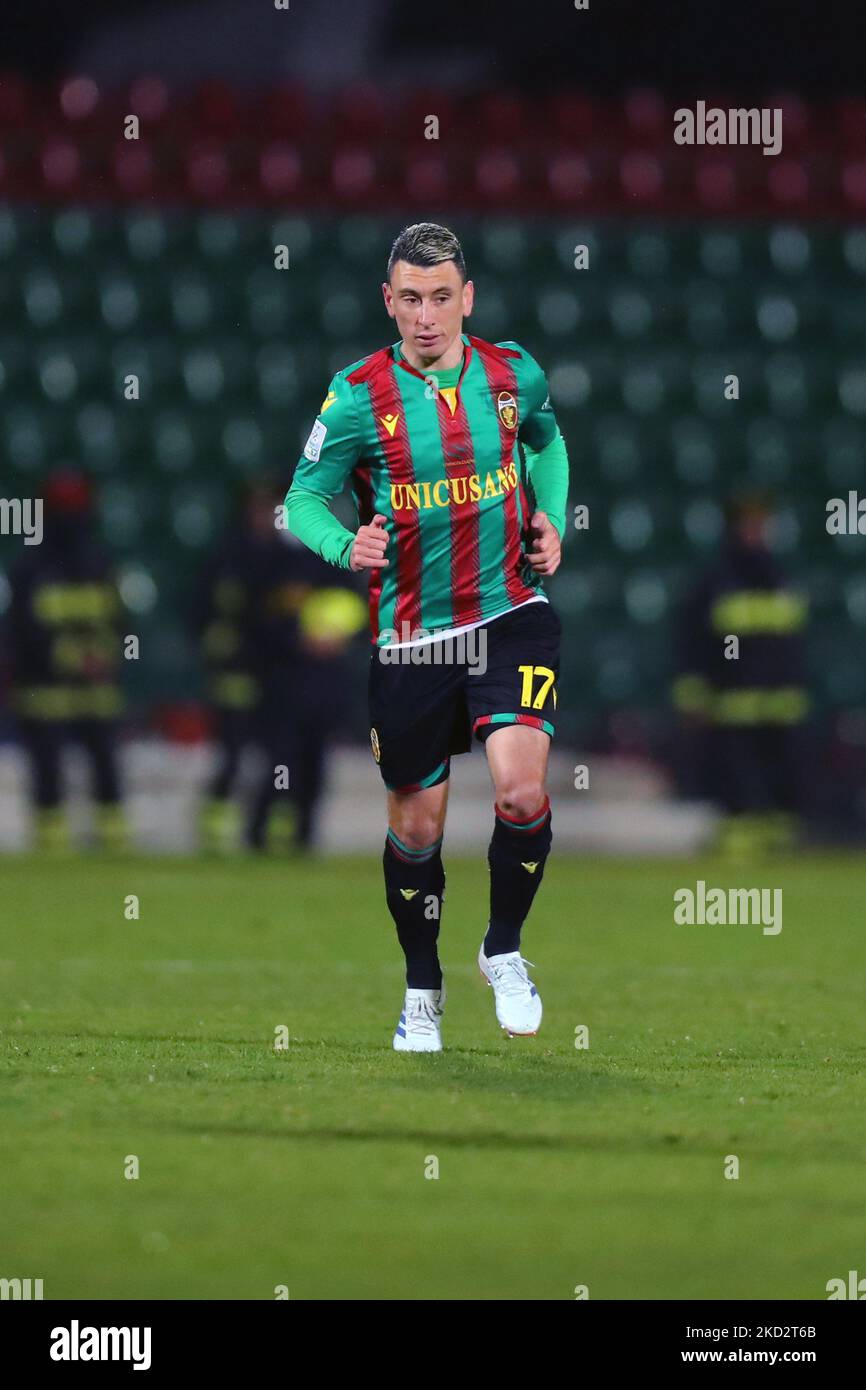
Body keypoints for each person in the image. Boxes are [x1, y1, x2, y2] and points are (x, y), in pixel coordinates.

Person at [285, 222, 570, 1050]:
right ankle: (422, 987)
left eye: (441, 297)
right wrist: (346, 543)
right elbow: (304, 496)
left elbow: (547, 442)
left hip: (512, 613)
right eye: (410, 298)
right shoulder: (354, 397)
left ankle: (505, 949)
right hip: (415, 639)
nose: (426, 315)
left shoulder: (514, 373)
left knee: (521, 792)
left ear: (467, 298)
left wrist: (550, 516)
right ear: (389, 300)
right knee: (417, 827)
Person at [672, 494, 810, 855]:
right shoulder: (715, 581)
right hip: (732, 704)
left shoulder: (782, 578)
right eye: (749, 525)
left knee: (783, 781)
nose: (757, 532)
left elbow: (795, 643)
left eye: (762, 524)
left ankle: (781, 846)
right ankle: (738, 848)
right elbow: (693, 643)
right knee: (736, 779)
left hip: (781, 705)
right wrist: (693, 695)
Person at [6, 470, 127, 851]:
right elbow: (22, 631)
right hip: (45, 692)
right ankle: (51, 843)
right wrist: (75, 658)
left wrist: (105, 656)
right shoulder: (28, 569)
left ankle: (113, 839)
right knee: (48, 769)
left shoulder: (101, 563)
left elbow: (120, 622)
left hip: (96, 690)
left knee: (106, 764)